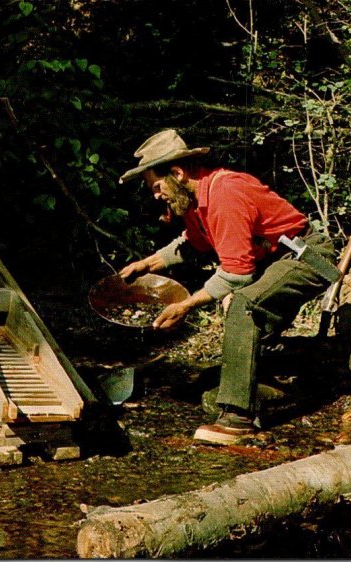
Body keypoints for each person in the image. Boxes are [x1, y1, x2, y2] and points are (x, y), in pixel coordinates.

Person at [118, 129, 339, 445]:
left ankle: (237, 420)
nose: (156, 196)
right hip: (275, 259)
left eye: (157, 186)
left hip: (305, 258)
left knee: (243, 304)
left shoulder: (225, 194)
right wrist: (148, 264)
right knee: (238, 335)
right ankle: (328, 356)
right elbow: (192, 244)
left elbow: (237, 273)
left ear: (177, 173)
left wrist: (186, 305)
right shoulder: (197, 201)